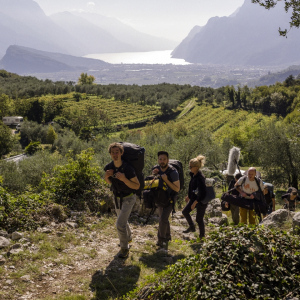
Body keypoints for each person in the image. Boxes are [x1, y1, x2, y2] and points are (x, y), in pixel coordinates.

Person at [104, 142, 140, 258]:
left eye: (117, 152)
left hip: (129, 198)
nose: (115, 154)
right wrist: (106, 177)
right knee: (122, 221)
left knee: (120, 224)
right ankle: (128, 238)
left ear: (121, 153)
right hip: (117, 197)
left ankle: (124, 249)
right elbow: (110, 182)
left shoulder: (128, 168)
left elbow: (137, 186)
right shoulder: (109, 167)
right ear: (110, 154)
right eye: (113, 152)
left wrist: (124, 179)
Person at [152, 151, 180, 250]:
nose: (162, 161)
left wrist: (166, 180)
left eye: (164, 159)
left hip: (171, 198)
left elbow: (177, 189)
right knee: (163, 218)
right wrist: (154, 175)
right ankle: (167, 236)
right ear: (158, 160)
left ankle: (161, 240)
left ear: (168, 160)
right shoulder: (156, 169)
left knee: (162, 219)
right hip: (160, 197)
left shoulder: (173, 172)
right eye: (160, 159)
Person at [182, 155, 207, 238]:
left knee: (199, 219)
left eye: (191, 167)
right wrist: (188, 196)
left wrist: (195, 202)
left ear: (196, 167)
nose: (189, 168)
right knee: (185, 212)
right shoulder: (193, 175)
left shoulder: (200, 177)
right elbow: (192, 188)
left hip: (201, 201)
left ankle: (202, 236)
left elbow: (202, 192)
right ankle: (192, 227)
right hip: (194, 198)